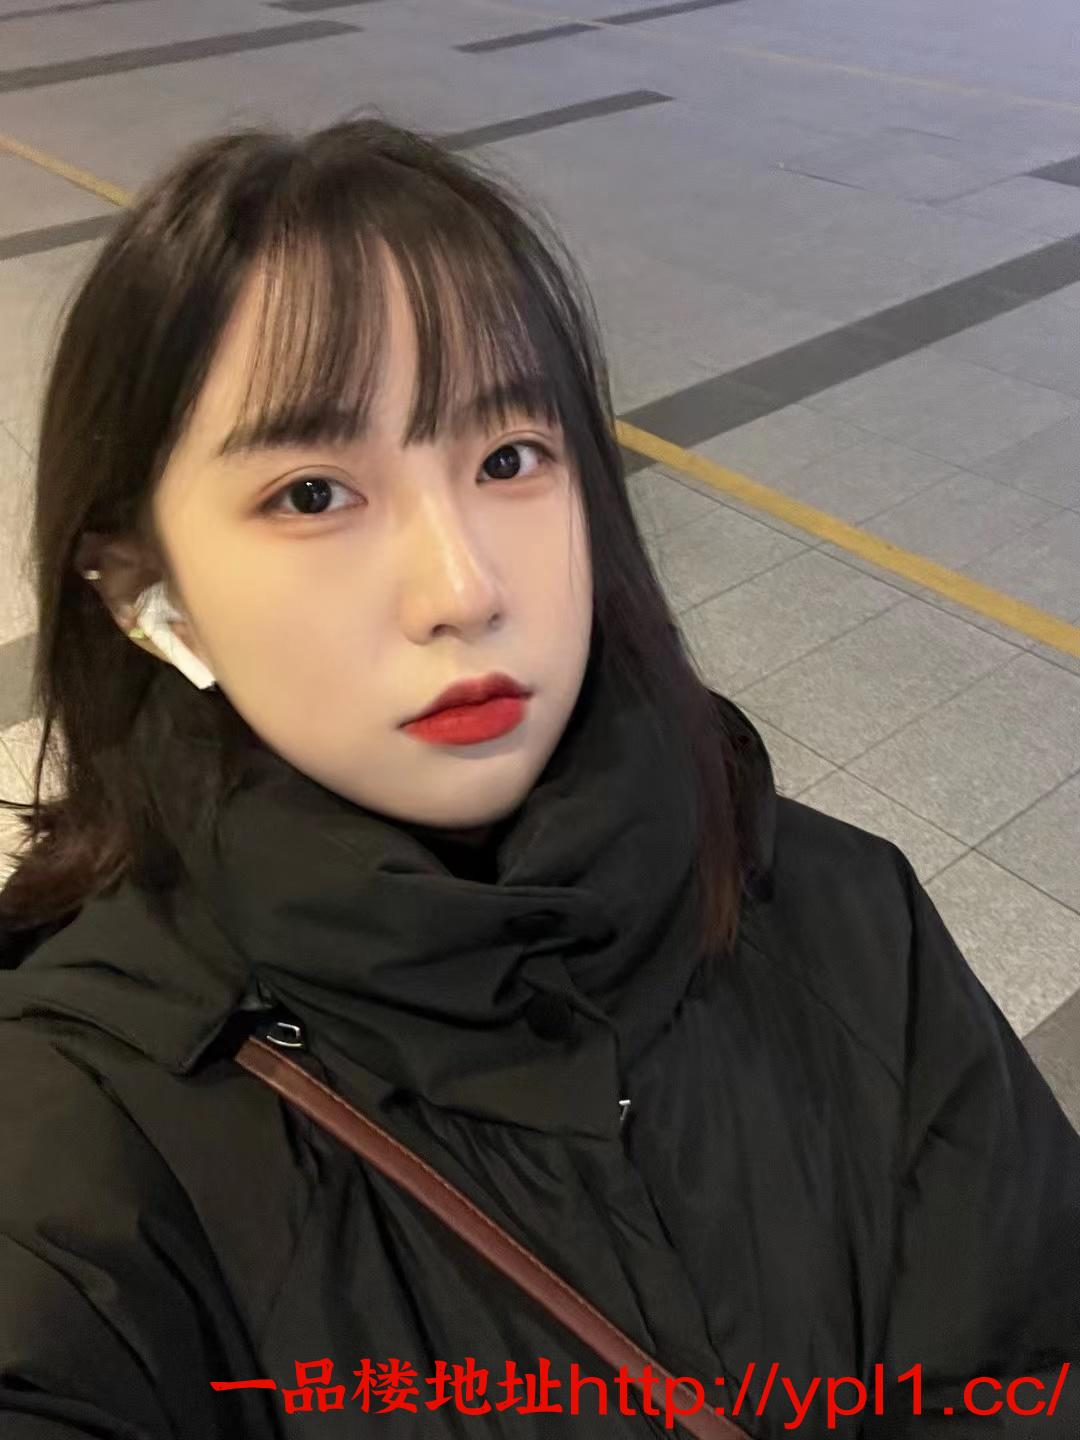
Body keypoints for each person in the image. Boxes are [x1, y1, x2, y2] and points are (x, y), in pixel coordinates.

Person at [0, 118, 1076, 1440]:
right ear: (142, 592)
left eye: (508, 459)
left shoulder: (843, 915)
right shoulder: (84, 1131)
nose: (463, 589)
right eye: (314, 493)